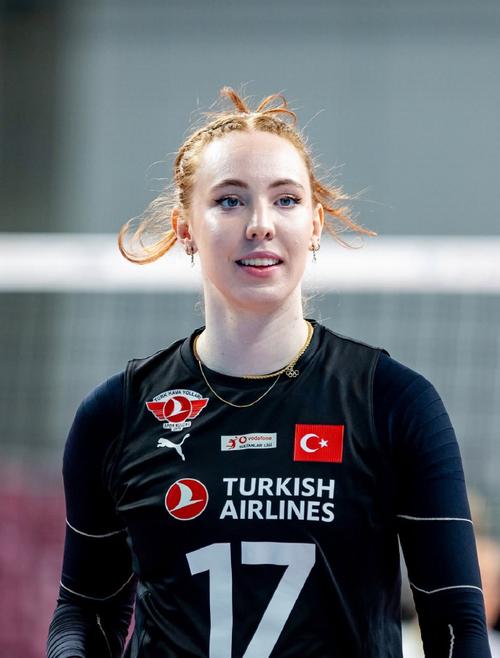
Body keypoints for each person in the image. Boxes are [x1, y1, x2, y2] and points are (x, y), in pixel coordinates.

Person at [47, 87, 492, 657]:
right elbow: (84, 609)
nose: (260, 224)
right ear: (185, 228)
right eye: (230, 201)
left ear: (315, 224)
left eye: (285, 200)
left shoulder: (393, 402)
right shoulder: (118, 414)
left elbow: (456, 623)